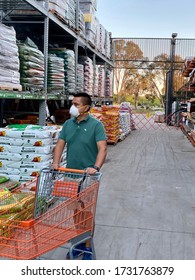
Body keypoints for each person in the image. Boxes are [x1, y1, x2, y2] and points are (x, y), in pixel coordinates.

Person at [51, 92, 107, 260]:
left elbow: (103, 149)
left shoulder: (96, 125)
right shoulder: (68, 124)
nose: (72, 107)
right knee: (75, 211)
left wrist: (95, 167)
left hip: (88, 176)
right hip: (71, 174)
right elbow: (60, 145)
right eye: (72, 103)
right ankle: (80, 242)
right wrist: (56, 163)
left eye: (76, 104)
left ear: (86, 107)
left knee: (87, 211)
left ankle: (88, 246)